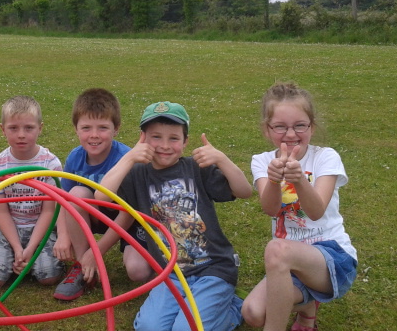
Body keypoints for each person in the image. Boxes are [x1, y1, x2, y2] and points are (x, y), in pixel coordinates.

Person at [96, 101, 252, 331]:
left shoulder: (196, 168)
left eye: (174, 138)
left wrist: (222, 159)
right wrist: (129, 158)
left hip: (213, 269)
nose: (164, 146)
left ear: (185, 141)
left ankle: (233, 308)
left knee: (186, 328)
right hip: (172, 273)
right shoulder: (138, 174)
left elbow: (245, 191)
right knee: (148, 328)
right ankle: (201, 306)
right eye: (156, 137)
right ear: (143, 138)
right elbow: (101, 196)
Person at [241, 82, 357, 331]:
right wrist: (274, 180)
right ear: (267, 130)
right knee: (252, 312)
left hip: (332, 257)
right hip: (287, 262)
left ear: (311, 127)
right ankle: (307, 308)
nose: (291, 134)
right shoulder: (262, 161)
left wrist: (300, 180)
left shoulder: (325, 157)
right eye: (280, 126)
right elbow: (270, 209)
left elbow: (316, 211)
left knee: (277, 249)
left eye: (299, 125)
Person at [52, 88, 133, 301]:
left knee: (138, 271)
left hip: (123, 221)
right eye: (86, 128)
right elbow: (62, 199)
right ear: (76, 129)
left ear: (116, 129)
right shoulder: (75, 157)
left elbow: (129, 214)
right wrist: (63, 235)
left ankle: (90, 258)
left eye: (103, 127)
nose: (94, 135)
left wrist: (96, 251)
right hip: (92, 216)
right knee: (76, 193)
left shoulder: (125, 159)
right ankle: (83, 267)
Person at [0, 96, 64, 287]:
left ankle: (26, 258)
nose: (21, 135)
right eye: (13, 128)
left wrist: (31, 248)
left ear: (40, 128)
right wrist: (18, 248)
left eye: (29, 128)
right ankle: (8, 251)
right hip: (9, 227)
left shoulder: (50, 164)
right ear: (3, 129)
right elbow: (2, 212)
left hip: (41, 227)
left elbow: (49, 211)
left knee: (49, 277)